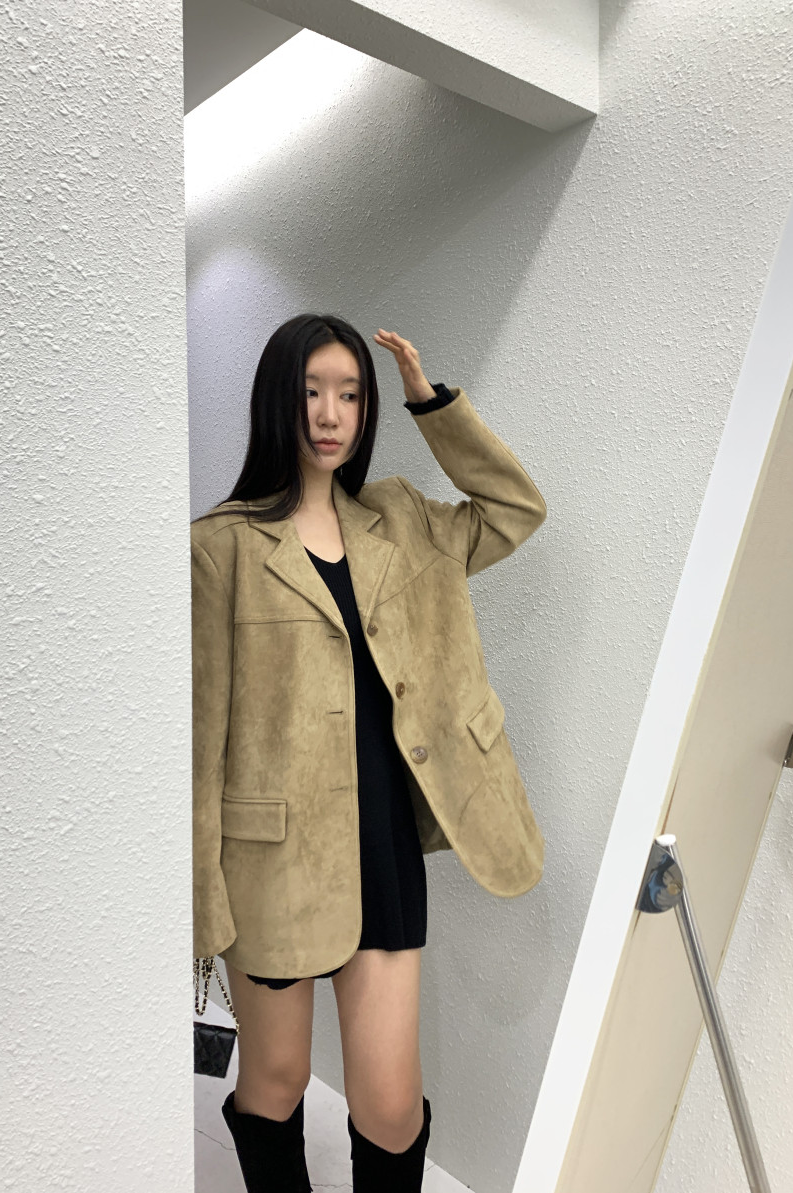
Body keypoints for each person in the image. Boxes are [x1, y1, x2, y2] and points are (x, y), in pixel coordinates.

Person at [190, 314, 548, 1191]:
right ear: (278, 398)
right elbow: (200, 740)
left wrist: (433, 405)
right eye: (312, 391)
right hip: (271, 859)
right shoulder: (219, 545)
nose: (330, 413)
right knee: (275, 1081)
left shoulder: (402, 518)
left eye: (350, 394)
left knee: (389, 1104)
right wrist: (201, 902)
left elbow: (515, 510)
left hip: (382, 840)